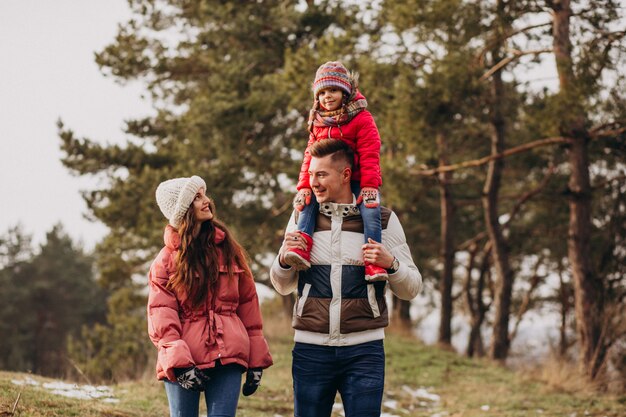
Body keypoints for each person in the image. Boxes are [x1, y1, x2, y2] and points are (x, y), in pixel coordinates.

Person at [270, 140, 422, 417]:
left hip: (365, 350)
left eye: (321, 174)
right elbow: (282, 285)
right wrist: (283, 258)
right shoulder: (301, 217)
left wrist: (391, 264)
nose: (313, 182)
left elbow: (411, 288)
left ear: (346, 174)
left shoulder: (383, 221)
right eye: (311, 174)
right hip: (310, 349)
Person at [148, 175, 273, 417]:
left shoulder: (229, 249)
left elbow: (248, 306)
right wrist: (179, 365)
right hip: (184, 361)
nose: (207, 201)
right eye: (197, 197)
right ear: (183, 210)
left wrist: (256, 359)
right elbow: (161, 318)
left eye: (204, 194)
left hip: (228, 357)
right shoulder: (164, 262)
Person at [284, 61, 388, 282]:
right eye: (322, 92)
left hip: (359, 178)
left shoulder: (361, 118)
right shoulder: (318, 121)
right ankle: (302, 246)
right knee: (306, 204)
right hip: (325, 180)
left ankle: (372, 262)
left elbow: (370, 152)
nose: (327, 97)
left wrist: (370, 185)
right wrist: (304, 186)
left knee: (371, 211)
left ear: (345, 92)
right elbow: (308, 156)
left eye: (332, 90)